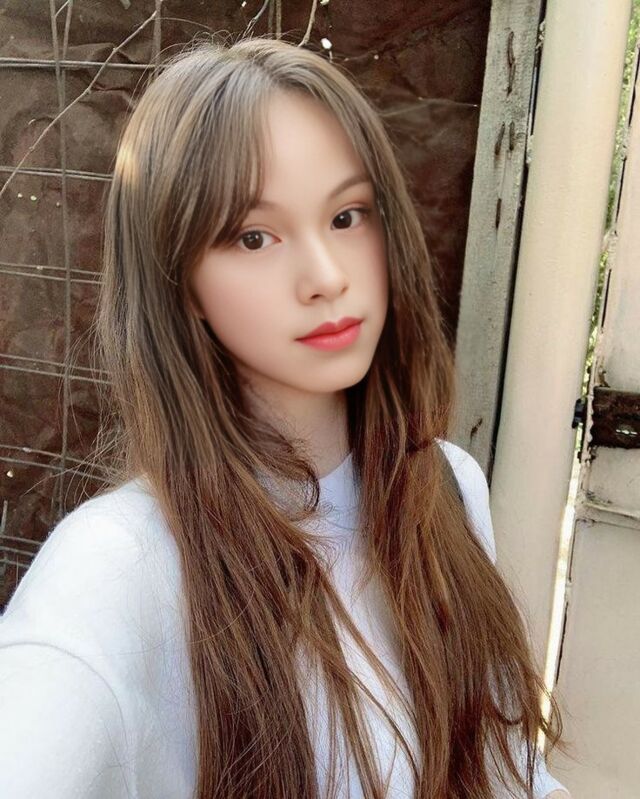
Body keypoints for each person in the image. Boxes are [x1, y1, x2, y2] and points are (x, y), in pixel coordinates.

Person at [0, 35, 572, 799]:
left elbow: (510, 773)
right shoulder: (118, 568)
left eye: (347, 215)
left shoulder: (446, 484)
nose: (327, 277)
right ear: (179, 282)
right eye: (254, 236)